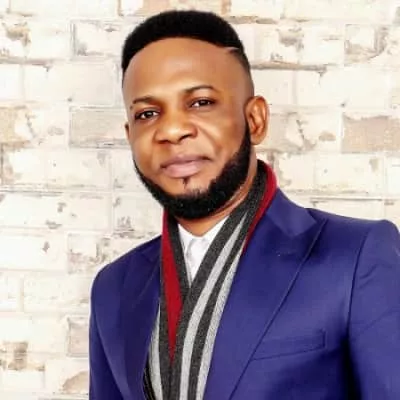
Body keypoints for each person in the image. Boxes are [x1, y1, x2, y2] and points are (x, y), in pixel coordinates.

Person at [89, 10, 400, 400]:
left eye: (200, 102)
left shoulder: (356, 257)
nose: (171, 130)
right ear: (130, 134)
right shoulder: (113, 288)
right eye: (147, 114)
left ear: (255, 119)